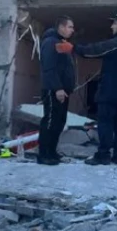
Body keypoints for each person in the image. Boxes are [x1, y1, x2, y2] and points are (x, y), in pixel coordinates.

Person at [56, 10, 117, 165]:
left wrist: (72, 48)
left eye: (115, 23)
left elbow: (95, 50)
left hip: (110, 91)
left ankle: (103, 155)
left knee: (105, 123)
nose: (111, 26)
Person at [38, 16, 76, 165]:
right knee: (50, 121)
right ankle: (44, 154)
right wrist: (57, 88)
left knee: (59, 121)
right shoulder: (50, 42)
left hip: (63, 90)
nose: (72, 30)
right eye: (70, 27)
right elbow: (49, 68)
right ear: (61, 27)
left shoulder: (61, 43)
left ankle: (52, 152)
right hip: (53, 89)